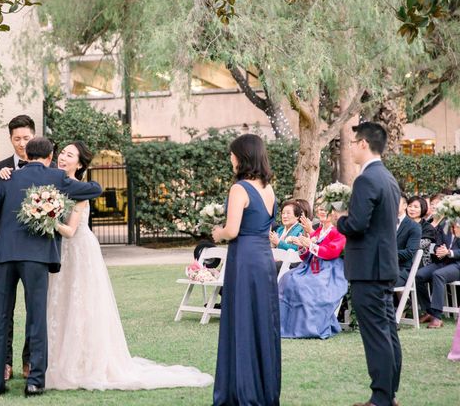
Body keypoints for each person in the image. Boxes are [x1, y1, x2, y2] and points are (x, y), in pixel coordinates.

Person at [37, 141, 212, 390]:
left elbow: (71, 230)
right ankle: (55, 361)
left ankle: (83, 363)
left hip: (79, 250)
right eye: (62, 153)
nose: (62, 158)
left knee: (82, 304)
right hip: (61, 254)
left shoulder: (82, 190)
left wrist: (46, 216)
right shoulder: (52, 185)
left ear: (80, 164)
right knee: (60, 302)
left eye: (69, 155)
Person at [0, 137, 103, 397]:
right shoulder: (57, 177)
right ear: (50, 156)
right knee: (36, 317)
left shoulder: (7, 178)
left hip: (5, 257)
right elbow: (94, 189)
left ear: (26, 155)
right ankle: (35, 382)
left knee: (0, 319)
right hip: (36, 258)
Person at [336, 122, 401, 406]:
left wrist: (338, 221)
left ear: (363, 144)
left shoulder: (366, 179)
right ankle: (389, 393)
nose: (349, 147)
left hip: (368, 269)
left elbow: (357, 224)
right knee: (387, 332)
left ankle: (380, 398)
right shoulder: (388, 177)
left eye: (352, 142)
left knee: (376, 334)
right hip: (384, 266)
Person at [211, 134, 280, 406]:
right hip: (264, 258)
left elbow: (233, 230)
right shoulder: (269, 188)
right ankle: (263, 388)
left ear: (242, 157)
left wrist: (218, 233)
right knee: (262, 321)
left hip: (244, 258)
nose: (231, 158)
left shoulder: (239, 188)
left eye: (232, 154)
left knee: (241, 320)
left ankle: (242, 391)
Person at [0, 114, 35, 381]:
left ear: (34, 137)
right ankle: (5, 363)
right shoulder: (0, 169)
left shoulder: (44, 165)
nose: (21, 143)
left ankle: (29, 360)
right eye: (17, 139)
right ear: (10, 139)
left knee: (33, 309)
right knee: (4, 309)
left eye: (26, 138)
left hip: (33, 251)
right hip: (5, 251)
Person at [279, 204, 347, 339]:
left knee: (303, 284)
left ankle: (308, 327)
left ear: (334, 213)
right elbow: (305, 256)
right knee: (287, 279)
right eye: (320, 209)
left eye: (325, 209)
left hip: (330, 270)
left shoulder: (339, 231)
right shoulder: (318, 231)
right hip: (310, 267)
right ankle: (286, 325)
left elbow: (331, 252)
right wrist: (302, 246)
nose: (321, 211)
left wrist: (310, 244)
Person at [415, 220, 460, 329]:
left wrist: (450, 252)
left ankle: (437, 316)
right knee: (418, 276)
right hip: (442, 262)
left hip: (457, 264)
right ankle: (429, 311)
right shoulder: (445, 224)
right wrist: (438, 249)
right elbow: (437, 244)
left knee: (438, 275)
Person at [395, 194, 421, 287]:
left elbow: (409, 252)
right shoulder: (386, 223)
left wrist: (388, 253)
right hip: (383, 267)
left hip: (402, 270)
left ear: (405, 206)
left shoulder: (414, 227)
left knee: (380, 284)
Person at [406, 195, 437, 267]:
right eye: (410, 206)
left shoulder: (428, 228)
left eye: (416, 207)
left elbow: (419, 245)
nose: (412, 209)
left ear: (423, 209)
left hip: (420, 262)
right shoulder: (403, 224)